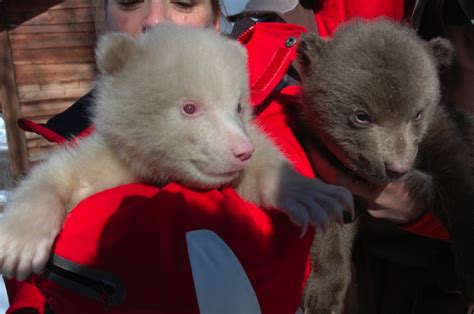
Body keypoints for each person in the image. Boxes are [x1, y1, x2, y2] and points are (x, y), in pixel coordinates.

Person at [9, 0, 469, 313]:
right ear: (105, 17)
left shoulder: (289, 96)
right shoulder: (75, 140)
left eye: (183, 1)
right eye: (129, 1)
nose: (154, 19)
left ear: (216, 20)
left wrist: (419, 214)